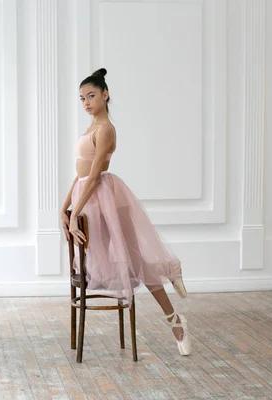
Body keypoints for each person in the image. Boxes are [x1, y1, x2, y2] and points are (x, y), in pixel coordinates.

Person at [60, 68, 191, 356]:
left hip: (105, 197)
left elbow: (93, 176)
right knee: (116, 262)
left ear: (106, 95)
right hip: (87, 198)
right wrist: (65, 206)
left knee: (133, 260)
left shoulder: (106, 129)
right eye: (82, 98)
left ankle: (174, 320)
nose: (86, 102)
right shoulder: (91, 127)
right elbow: (80, 173)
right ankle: (170, 281)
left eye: (91, 96)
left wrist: (73, 214)